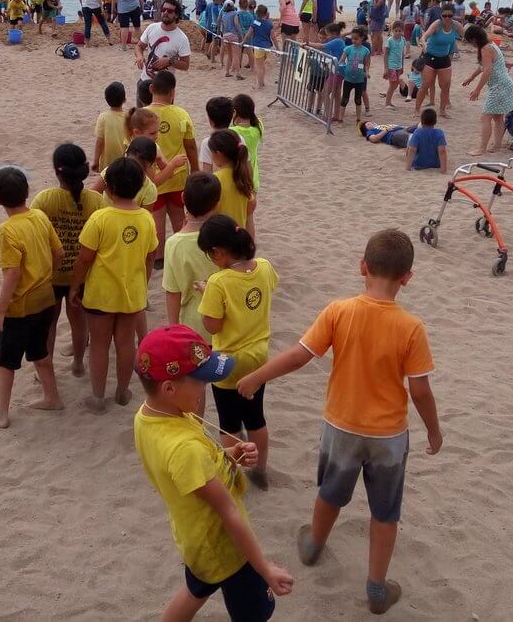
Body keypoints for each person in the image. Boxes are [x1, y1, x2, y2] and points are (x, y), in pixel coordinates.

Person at [235, 229, 441, 616]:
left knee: (330, 491)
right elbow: (420, 391)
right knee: (385, 512)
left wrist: (258, 376)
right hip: (388, 436)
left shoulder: (338, 311)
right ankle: (376, 587)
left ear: (363, 267)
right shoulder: (411, 327)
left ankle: (313, 545)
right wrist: (433, 429)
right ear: (407, 277)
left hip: (342, 427)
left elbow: (299, 355)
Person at [133, 324, 293, 621]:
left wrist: (230, 456)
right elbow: (227, 510)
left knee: (196, 590)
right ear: (169, 388)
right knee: (253, 614)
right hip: (225, 548)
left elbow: (191, 473)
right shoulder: (184, 449)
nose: (204, 388)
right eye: (200, 382)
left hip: (195, 537)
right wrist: (264, 568)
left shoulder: (148, 416)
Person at [0, 166, 64, 428]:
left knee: (6, 362)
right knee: (40, 352)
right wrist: (46, 275)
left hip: (20, 307)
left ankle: (1, 414)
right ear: (27, 192)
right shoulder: (39, 216)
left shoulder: (7, 230)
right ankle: (52, 397)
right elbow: (58, 252)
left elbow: (12, 273)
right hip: (45, 298)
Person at [70, 157, 158, 414]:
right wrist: (143, 282)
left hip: (101, 293)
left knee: (99, 344)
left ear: (107, 188)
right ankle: (122, 390)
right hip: (131, 293)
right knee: (126, 343)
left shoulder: (100, 218)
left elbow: (84, 258)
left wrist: (75, 286)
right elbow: (151, 255)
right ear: (140, 186)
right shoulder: (146, 219)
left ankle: (98, 397)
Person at [198, 215, 279, 490]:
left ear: (218, 252)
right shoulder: (264, 267)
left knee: (230, 423)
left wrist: (206, 293)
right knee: (256, 417)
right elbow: (267, 287)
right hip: (259, 359)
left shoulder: (218, 282)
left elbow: (212, 325)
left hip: (227, 363)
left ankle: (234, 474)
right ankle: (260, 468)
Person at [32, 143, 105, 378]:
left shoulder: (44, 200)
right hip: (82, 274)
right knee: (79, 322)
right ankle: (78, 363)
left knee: (49, 325)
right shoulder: (96, 201)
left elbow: (34, 236)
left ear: (57, 171)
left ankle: (46, 368)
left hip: (51, 273)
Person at [147, 70, 198, 265]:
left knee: (157, 221)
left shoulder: (143, 116)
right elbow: (190, 145)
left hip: (154, 179)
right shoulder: (181, 114)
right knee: (178, 219)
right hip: (178, 176)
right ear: (172, 92)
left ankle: (159, 258)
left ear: (151, 89)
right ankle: (180, 254)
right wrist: (195, 169)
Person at [163, 172, 222, 334]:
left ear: (183, 197)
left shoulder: (174, 243)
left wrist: (174, 328)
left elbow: (172, 291)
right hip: (224, 321)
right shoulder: (224, 235)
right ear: (217, 203)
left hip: (192, 325)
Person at [462, 24, 513, 156]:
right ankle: (496, 146)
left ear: (474, 39)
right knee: (498, 117)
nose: (471, 44)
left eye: (470, 41)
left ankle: (482, 149)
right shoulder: (490, 44)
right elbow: (483, 66)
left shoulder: (485, 49)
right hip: (505, 84)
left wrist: (477, 89)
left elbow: (487, 70)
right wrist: (471, 77)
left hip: (499, 86)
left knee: (485, 117)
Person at [136, 0, 192, 103]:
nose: (165, 12)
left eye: (170, 11)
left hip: (164, 89)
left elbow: (186, 65)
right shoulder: (152, 28)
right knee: (141, 113)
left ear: (176, 15)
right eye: (163, 9)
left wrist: (169, 61)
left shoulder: (182, 38)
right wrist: (139, 56)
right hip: (145, 82)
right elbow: (139, 46)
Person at [414, 7, 464, 117]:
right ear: (441, 16)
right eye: (444, 15)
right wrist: (424, 43)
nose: (447, 18)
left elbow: (468, 35)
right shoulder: (437, 24)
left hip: (444, 58)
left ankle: (442, 110)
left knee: (445, 86)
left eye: (450, 16)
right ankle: (417, 110)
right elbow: (425, 36)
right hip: (430, 57)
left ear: (453, 16)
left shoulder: (456, 25)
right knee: (425, 84)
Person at [208, 130, 256, 237]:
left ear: (218, 154)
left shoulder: (214, 180)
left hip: (218, 238)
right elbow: (249, 220)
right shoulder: (243, 179)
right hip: (238, 238)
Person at [336, 28, 371, 124]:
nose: (353, 41)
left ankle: (358, 119)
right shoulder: (348, 49)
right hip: (348, 78)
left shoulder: (365, 50)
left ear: (362, 38)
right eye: (352, 39)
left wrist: (367, 72)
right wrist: (340, 68)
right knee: (345, 99)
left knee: (358, 100)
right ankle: (340, 119)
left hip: (359, 79)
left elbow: (367, 64)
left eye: (356, 39)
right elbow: (341, 61)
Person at [230, 94, 264, 191]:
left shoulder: (233, 131)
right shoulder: (259, 126)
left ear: (235, 112)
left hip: (239, 176)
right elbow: (256, 120)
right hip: (254, 177)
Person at [93, 81, 128, 172]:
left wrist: (96, 161)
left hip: (107, 164)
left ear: (106, 99)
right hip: (125, 163)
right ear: (124, 99)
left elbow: (99, 141)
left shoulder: (103, 117)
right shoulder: (128, 118)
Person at [240, 4, 276, 90]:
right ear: (266, 13)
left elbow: (248, 35)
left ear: (257, 13)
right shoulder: (269, 23)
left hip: (258, 47)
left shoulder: (255, 22)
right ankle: (262, 83)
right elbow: (273, 37)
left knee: (259, 67)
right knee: (262, 66)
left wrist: (242, 42)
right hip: (267, 47)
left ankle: (260, 85)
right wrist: (277, 47)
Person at [405, 107, 448, 172]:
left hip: (419, 164)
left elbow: (412, 150)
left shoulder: (417, 132)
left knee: (410, 140)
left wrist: (408, 167)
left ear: (421, 122)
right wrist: (443, 169)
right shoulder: (439, 133)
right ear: (435, 121)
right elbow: (442, 151)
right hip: (436, 164)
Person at [381, 21, 406, 108]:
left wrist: (402, 66)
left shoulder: (403, 40)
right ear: (392, 30)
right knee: (392, 85)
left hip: (398, 66)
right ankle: (387, 103)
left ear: (402, 31)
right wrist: (386, 68)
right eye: (396, 31)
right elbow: (386, 55)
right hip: (391, 66)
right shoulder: (390, 40)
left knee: (395, 84)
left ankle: (389, 102)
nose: (398, 33)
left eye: (400, 31)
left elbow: (402, 54)